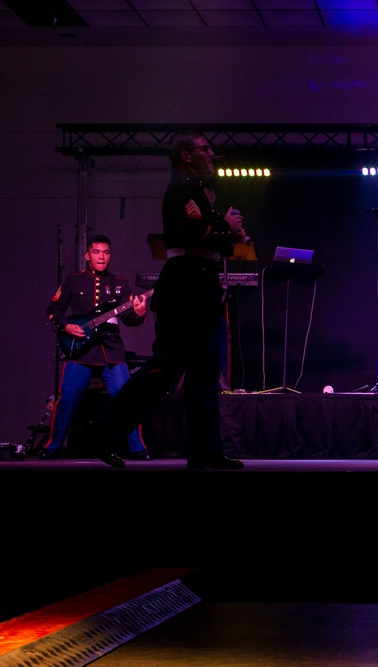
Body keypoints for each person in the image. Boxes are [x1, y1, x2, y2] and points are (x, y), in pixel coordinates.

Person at [90, 130, 246, 470]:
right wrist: (226, 226)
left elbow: (209, 236)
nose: (211, 154)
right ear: (187, 156)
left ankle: (205, 452)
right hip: (187, 284)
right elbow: (188, 234)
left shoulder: (194, 189)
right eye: (204, 149)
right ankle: (102, 432)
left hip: (200, 284)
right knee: (163, 368)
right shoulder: (182, 188)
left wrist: (226, 229)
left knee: (204, 373)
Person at [40, 235, 150, 465]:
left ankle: (137, 448)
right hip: (81, 350)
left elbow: (129, 317)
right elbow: (54, 308)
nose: (102, 256)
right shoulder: (74, 280)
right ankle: (52, 447)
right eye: (97, 252)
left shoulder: (120, 283)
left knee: (126, 398)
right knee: (67, 398)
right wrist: (67, 326)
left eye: (106, 252)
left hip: (111, 348)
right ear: (87, 255)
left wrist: (139, 313)